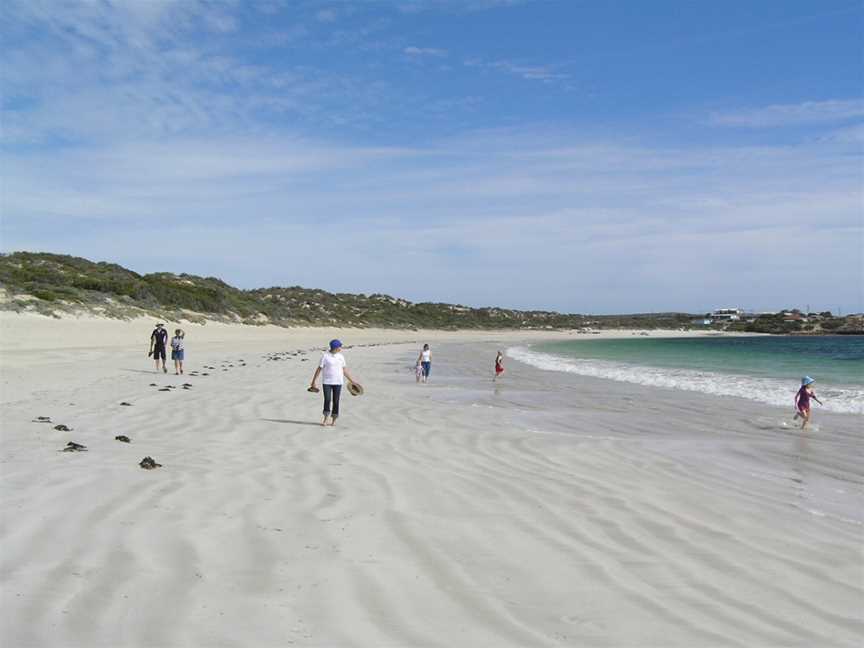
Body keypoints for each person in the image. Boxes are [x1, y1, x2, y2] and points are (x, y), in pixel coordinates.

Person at [309, 339, 360, 426]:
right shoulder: (325, 356)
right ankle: (325, 419)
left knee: (336, 401)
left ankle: (333, 420)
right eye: (339, 346)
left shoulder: (341, 357)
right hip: (327, 382)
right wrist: (313, 381)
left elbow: (344, 370)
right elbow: (319, 369)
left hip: (338, 382)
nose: (341, 348)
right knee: (327, 400)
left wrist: (352, 381)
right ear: (335, 347)